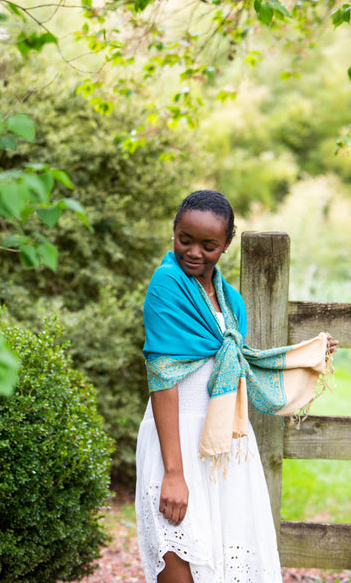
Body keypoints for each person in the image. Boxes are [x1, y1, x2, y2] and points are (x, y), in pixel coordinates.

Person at [135, 190, 338, 583]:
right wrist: (173, 473)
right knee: (178, 557)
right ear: (174, 232)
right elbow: (163, 381)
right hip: (175, 442)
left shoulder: (233, 304)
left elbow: (243, 366)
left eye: (208, 245)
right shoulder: (167, 285)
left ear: (226, 244)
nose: (193, 252)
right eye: (184, 239)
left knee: (228, 564)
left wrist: (304, 357)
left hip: (226, 446)